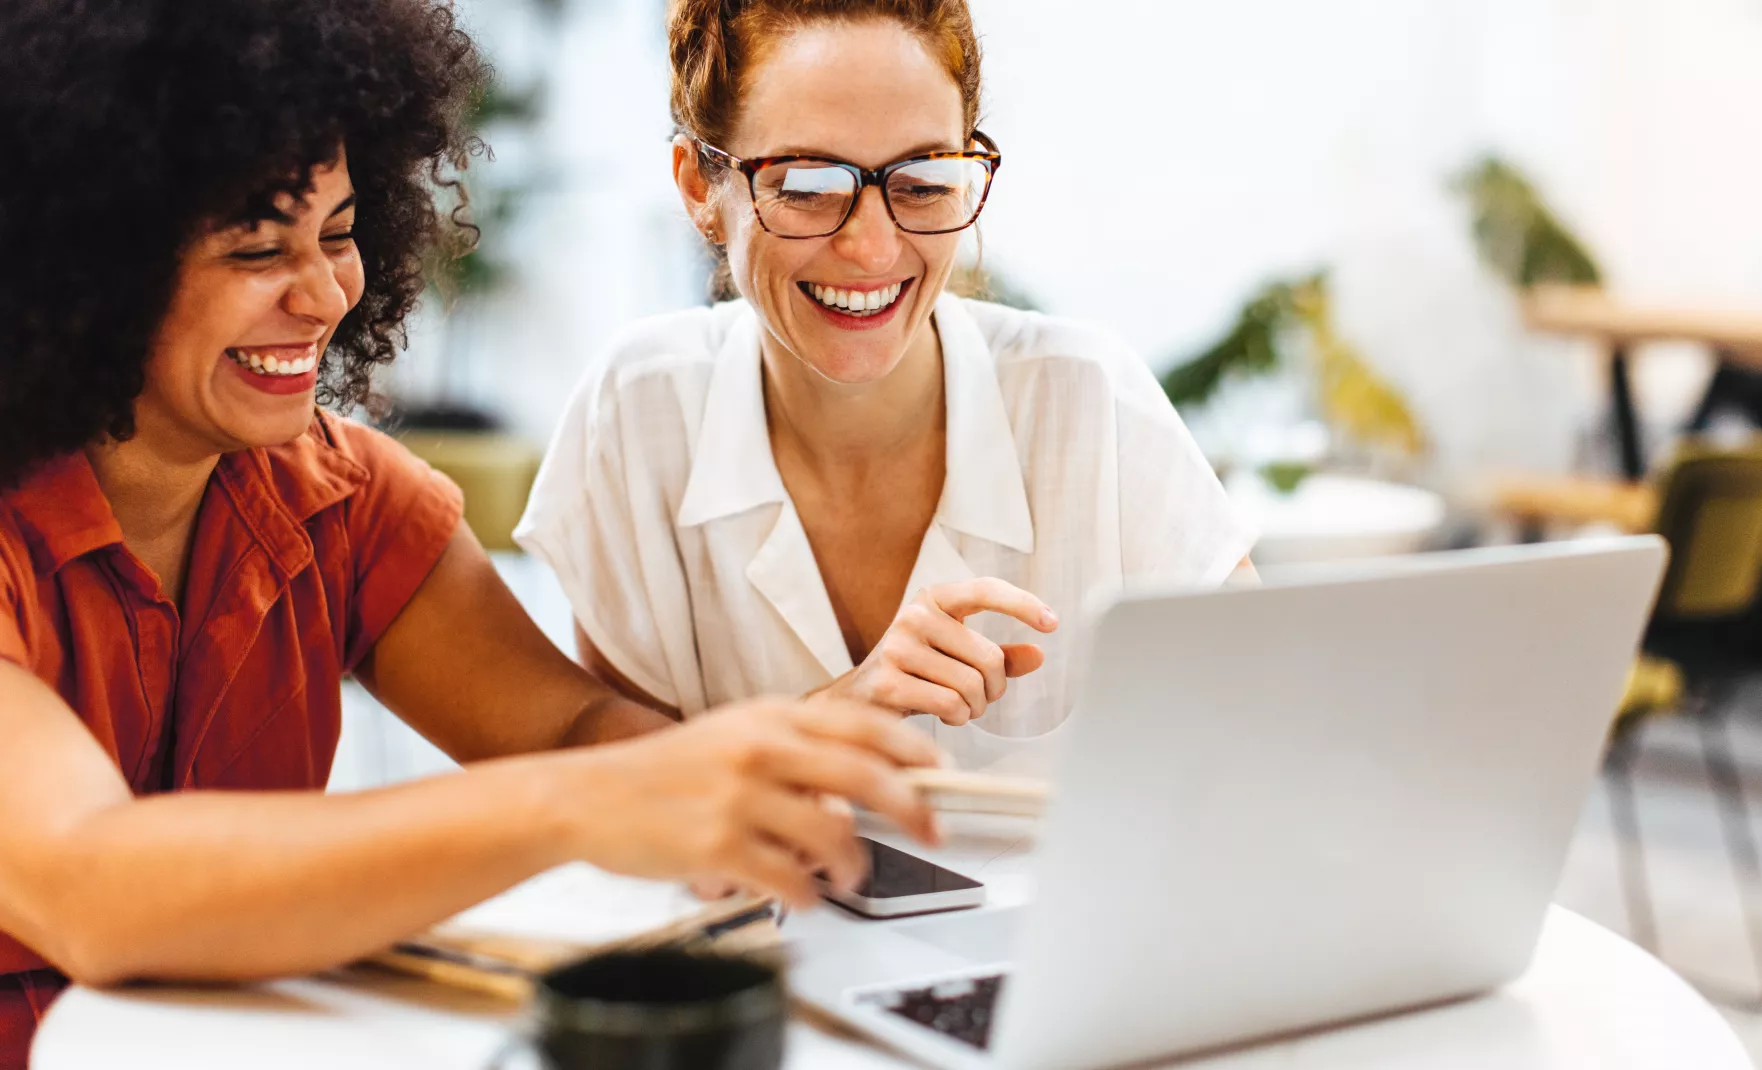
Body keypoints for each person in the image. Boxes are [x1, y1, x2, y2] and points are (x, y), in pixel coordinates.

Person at [0, 2, 943, 1063]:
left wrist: (775, 752)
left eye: (342, 233)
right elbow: (95, 885)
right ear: (81, 263)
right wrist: (580, 803)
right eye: (257, 247)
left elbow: (570, 728)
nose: (323, 294)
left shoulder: (340, 501)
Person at [517, 0, 1256, 774]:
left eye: (925, 181)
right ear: (700, 187)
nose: (872, 250)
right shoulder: (640, 412)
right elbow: (620, 813)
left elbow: (1284, 746)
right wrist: (837, 715)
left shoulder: (1088, 402)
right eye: (805, 185)